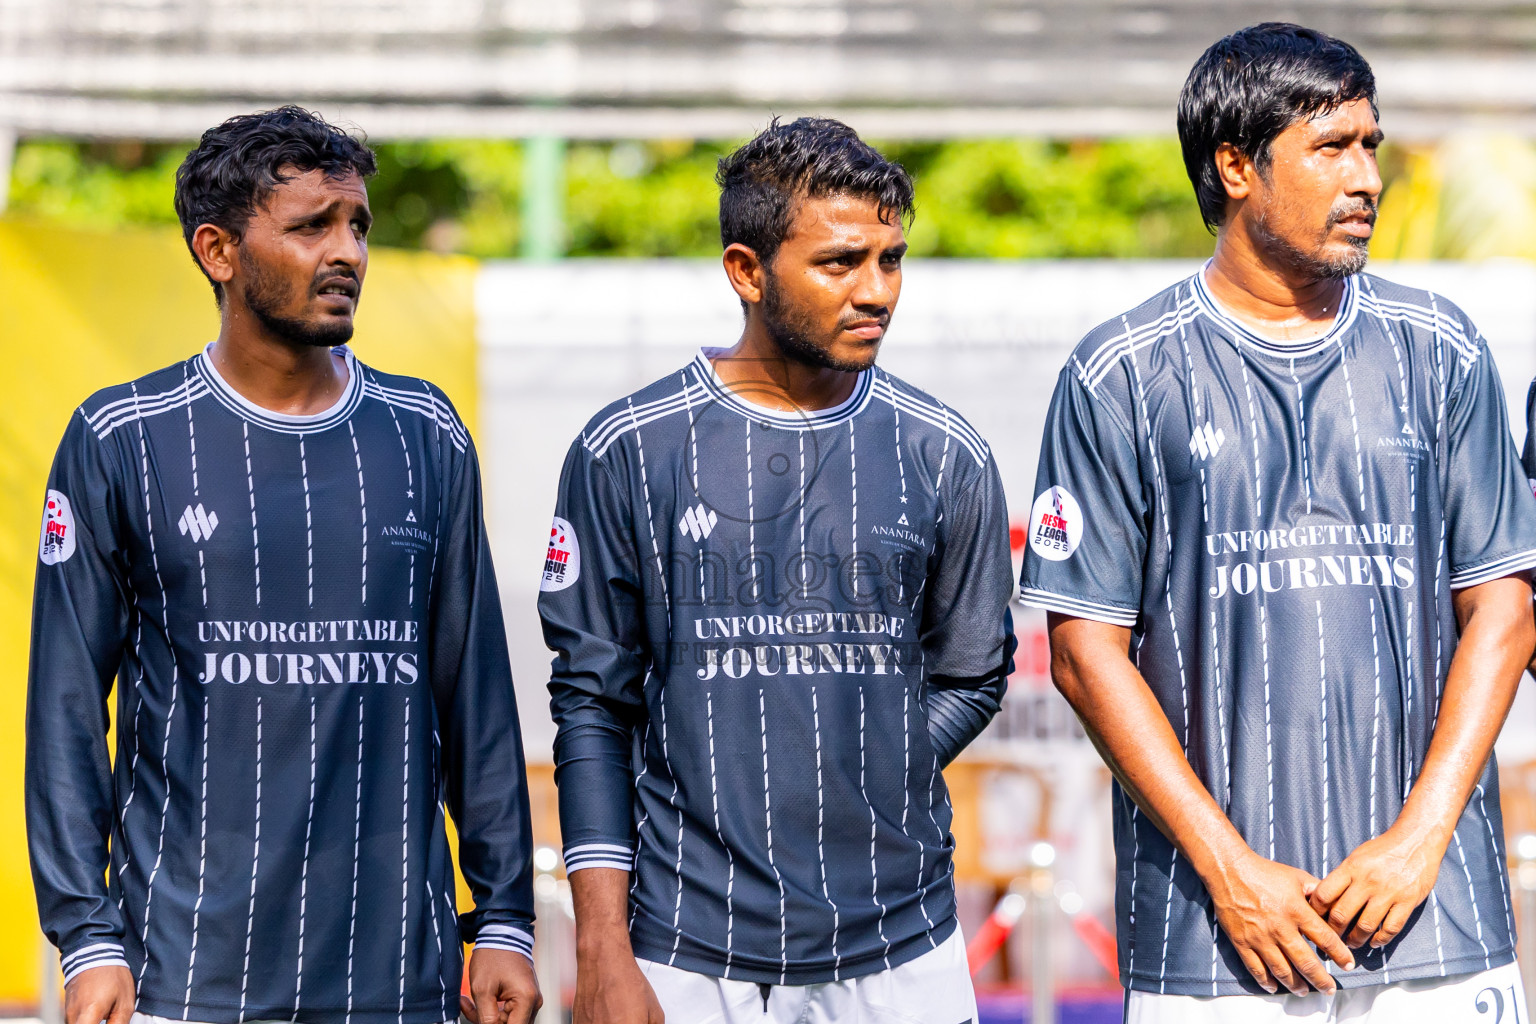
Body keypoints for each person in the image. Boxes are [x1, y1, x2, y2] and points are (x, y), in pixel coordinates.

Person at [1021, 23, 1536, 1023]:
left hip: (1440, 924)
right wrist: (1233, 869)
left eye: (1371, 145)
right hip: (1216, 940)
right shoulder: (1119, 375)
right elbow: (1085, 653)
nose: (1367, 178)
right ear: (1235, 167)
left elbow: (1506, 608)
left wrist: (1419, 840)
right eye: (1331, 146)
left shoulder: (1444, 353)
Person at [26, 106, 540, 1024]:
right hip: (180, 975)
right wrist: (86, 934)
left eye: (357, 225)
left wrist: (502, 919)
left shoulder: (425, 432)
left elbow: (478, 700)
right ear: (217, 250)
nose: (347, 251)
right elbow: (66, 710)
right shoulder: (121, 438)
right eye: (311, 226)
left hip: (399, 979)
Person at [538, 117, 1016, 1024]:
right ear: (746, 271)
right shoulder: (626, 451)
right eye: (840, 263)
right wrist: (599, 944)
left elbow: (971, 675)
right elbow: (593, 704)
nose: (876, 290)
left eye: (892, 259)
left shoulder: (946, 452)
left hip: (901, 938)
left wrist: (859, 769)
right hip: (685, 945)